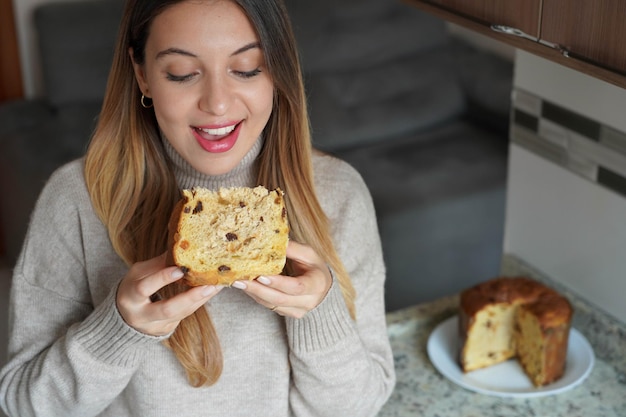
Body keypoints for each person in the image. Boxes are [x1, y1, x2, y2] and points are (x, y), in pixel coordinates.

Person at [0, 0, 396, 416]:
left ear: (277, 73)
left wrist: (320, 315)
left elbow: (360, 406)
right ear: (143, 76)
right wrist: (118, 330)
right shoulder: (75, 199)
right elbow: (23, 404)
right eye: (182, 74)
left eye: (246, 68)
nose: (218, 104)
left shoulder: (338, 193)